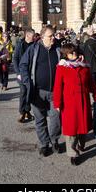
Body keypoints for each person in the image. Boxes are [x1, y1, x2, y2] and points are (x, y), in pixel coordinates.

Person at [53, 42, 96, 165]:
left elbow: (91, 83)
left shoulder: (84, 66)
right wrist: (57, 103)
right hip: (69, 103)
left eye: (75, 52)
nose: (74, 54)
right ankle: (73, 153)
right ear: (65, 55)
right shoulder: (61, 67)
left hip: (83, 101)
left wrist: (95, 95)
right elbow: (57, 87)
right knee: (71, 130)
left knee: (83, 127)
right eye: (71, 53)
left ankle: (81, 145)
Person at [19, 26, 61, 156]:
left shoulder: (58, 50)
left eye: (53, 35)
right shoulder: (34, 49)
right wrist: (27, 82)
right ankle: (44, 144)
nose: (53, 38)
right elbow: (23, 65)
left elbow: (71, 56)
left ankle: (54, 140)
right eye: (50, 36)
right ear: (42, 37)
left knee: (56, 119)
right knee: (40, 119)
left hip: (55, 91)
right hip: (38, 91)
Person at [13, 28, 35, 123]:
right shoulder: (20, 45)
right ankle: (22, 112)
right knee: (23, 91)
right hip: (22, 73)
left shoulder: (35, 45)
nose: (34, 38)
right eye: (32, 37)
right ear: (27, 36)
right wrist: (18, 73)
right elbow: (15, 59)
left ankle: (27, 111)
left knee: (30, 92)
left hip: (31, 73)